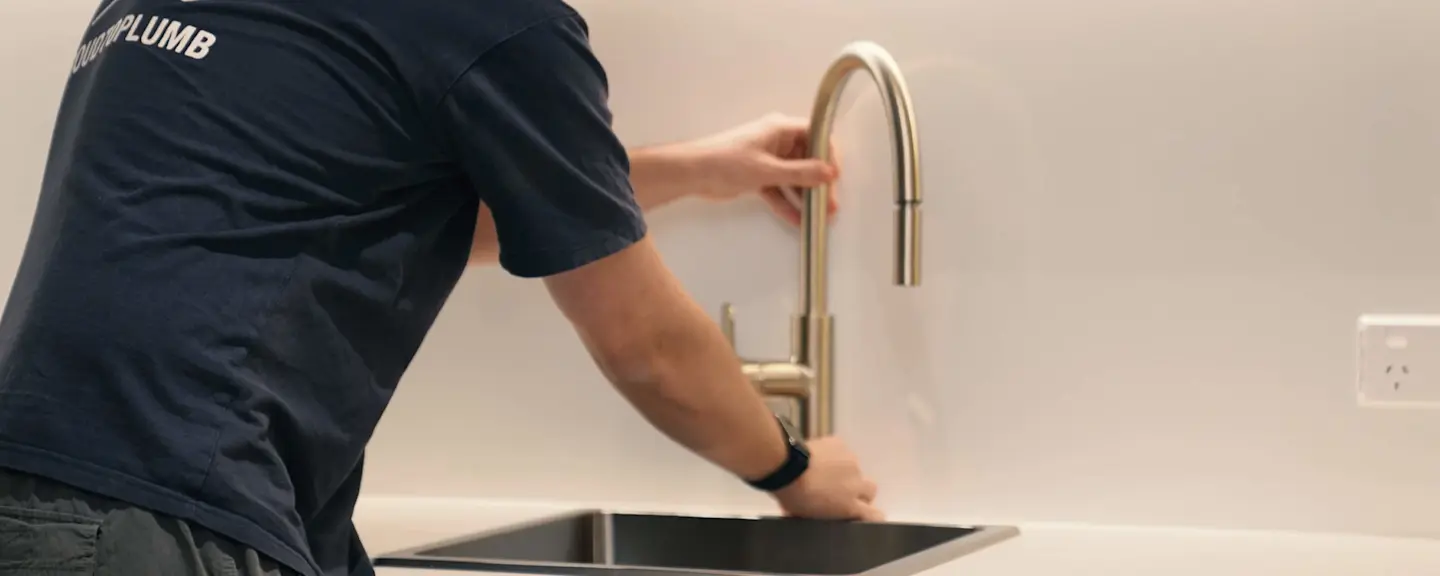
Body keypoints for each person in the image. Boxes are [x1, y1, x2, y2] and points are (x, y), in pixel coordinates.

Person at [0, 0, 882, 575]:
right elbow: (646, 346)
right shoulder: (492, 19)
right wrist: (794, 469)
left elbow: (385, 211)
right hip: (159, 521)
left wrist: (699, 169)